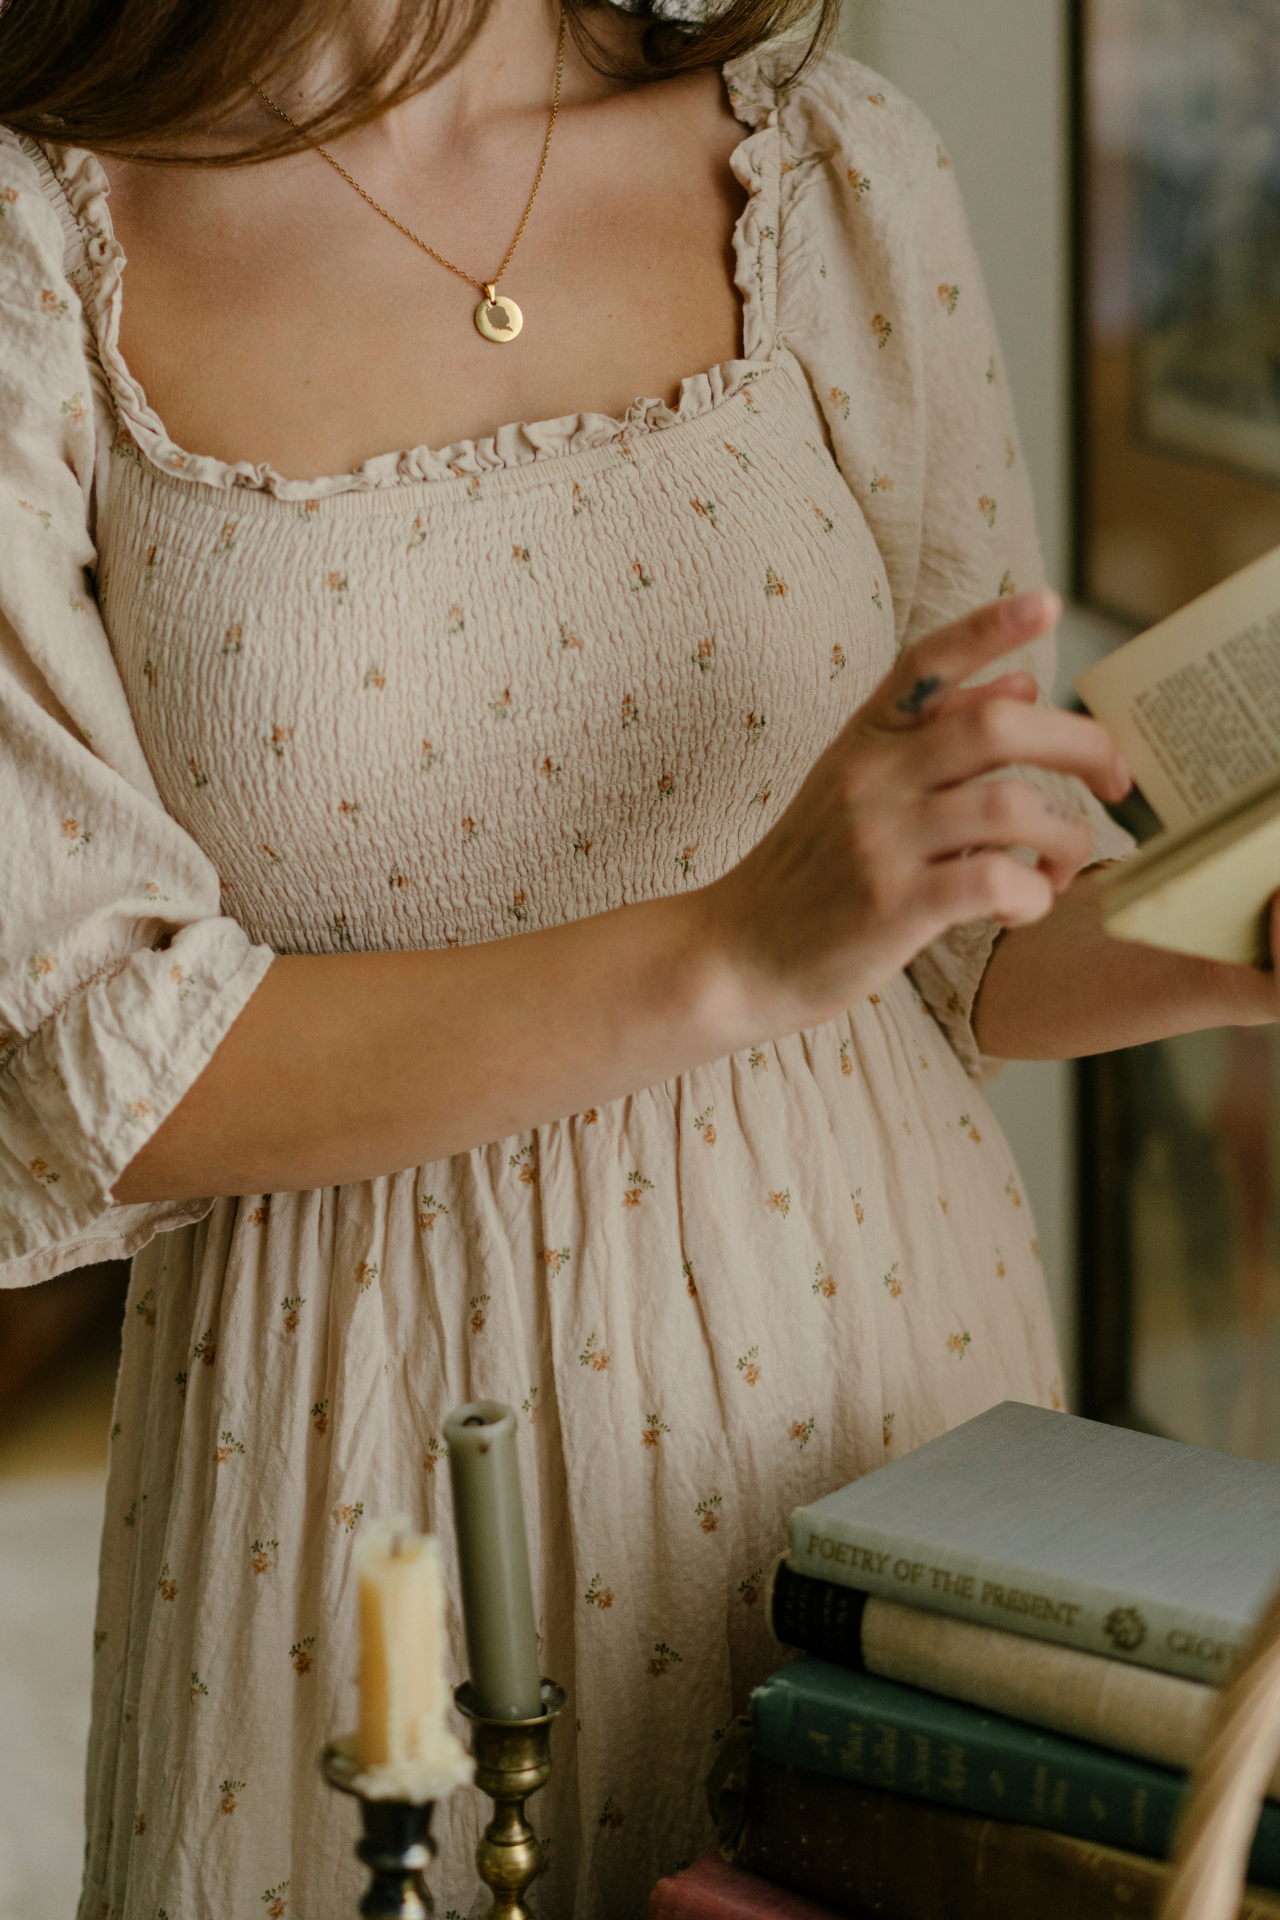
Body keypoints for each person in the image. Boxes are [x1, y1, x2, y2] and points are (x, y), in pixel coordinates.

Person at [0, 0, 1274, 1912]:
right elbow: (99, 1070)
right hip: (369, 1453)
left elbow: (959, 942)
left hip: (883, 1399)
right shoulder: (40, 247)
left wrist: (1239, 942)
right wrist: (735, 950)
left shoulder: (835, 168)